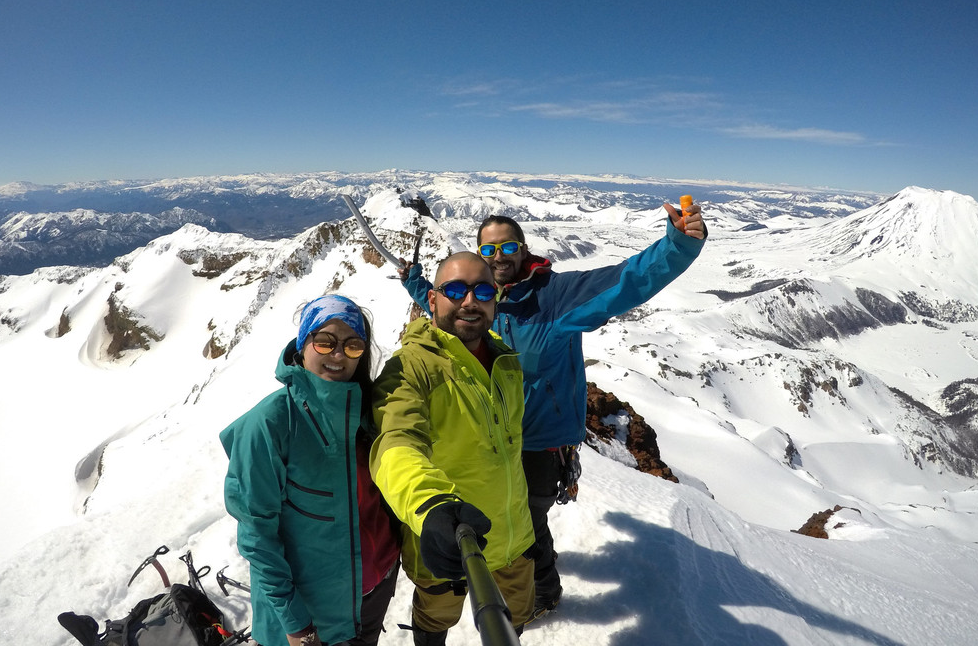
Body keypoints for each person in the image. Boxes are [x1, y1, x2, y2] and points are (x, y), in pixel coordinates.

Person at [399, 199, 707, 617]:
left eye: (509, 247)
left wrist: (678, 246)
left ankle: (543, 592)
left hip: (539, 442)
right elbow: (444, 304)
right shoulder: (481, 300)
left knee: (527, 523)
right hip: (491, 440)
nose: (499, 257)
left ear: (523, 249)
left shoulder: (555, 297)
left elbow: (624, 281)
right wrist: (414, 282)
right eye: (489, 250)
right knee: (500, 514)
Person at [371, 252, 536, 645]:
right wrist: (431, 507)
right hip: (447, 536)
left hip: (514, 538)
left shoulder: (504, 361)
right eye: (456, 290)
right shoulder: (410, 368)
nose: (470, 301)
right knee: (435, 619)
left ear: (495, 299)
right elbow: (396, 443)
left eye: (483, 291)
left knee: (513, 621)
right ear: (432, 299)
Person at [221, 295, 401, 646]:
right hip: (313, 617)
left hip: (375, 589)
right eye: (325, 342)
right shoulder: (269, 424)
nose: (338, 355)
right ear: (303, 344)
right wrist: (296, 625)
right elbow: (258, 536)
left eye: (352, 345)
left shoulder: (368, 412)